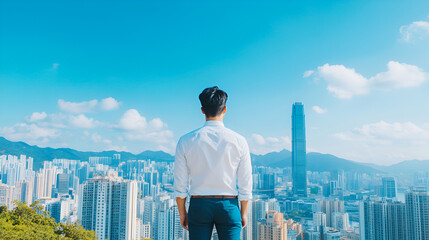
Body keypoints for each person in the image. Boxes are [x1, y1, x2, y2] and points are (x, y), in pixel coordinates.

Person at [174, 86, 253, 240]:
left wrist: (183, 213)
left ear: (202, 110)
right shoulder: (239, 140)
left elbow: (180, 183)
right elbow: (245, 181)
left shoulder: (186, 140)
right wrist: (243, 212)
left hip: (198, 205)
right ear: (225, 110)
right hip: (229, 206)